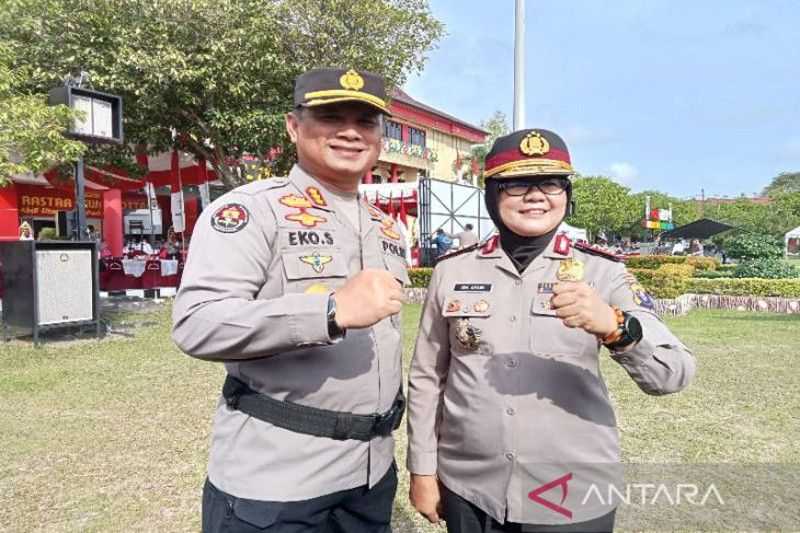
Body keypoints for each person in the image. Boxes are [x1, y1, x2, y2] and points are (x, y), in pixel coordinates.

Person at [407, 129, 696, 533]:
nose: (536, 195)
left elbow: (673, 373)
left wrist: (616, 328)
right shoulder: (452, 270)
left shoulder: (603, 272)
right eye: (516, 184)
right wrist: (421, 469)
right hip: (469, 489)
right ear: (492, 194)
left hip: (569, 493)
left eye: (551, 183)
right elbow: (427, 377)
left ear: (566, 194)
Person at [172, 68, 409, 533]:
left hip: (371, 473)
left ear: (380, 137)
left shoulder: (386, 226)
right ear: (293, 126)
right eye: (330, 116)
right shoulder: (253, 210)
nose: (350, 131)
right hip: (278, 481)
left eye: (366, 121)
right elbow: (197, 323)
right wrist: (328, 312)